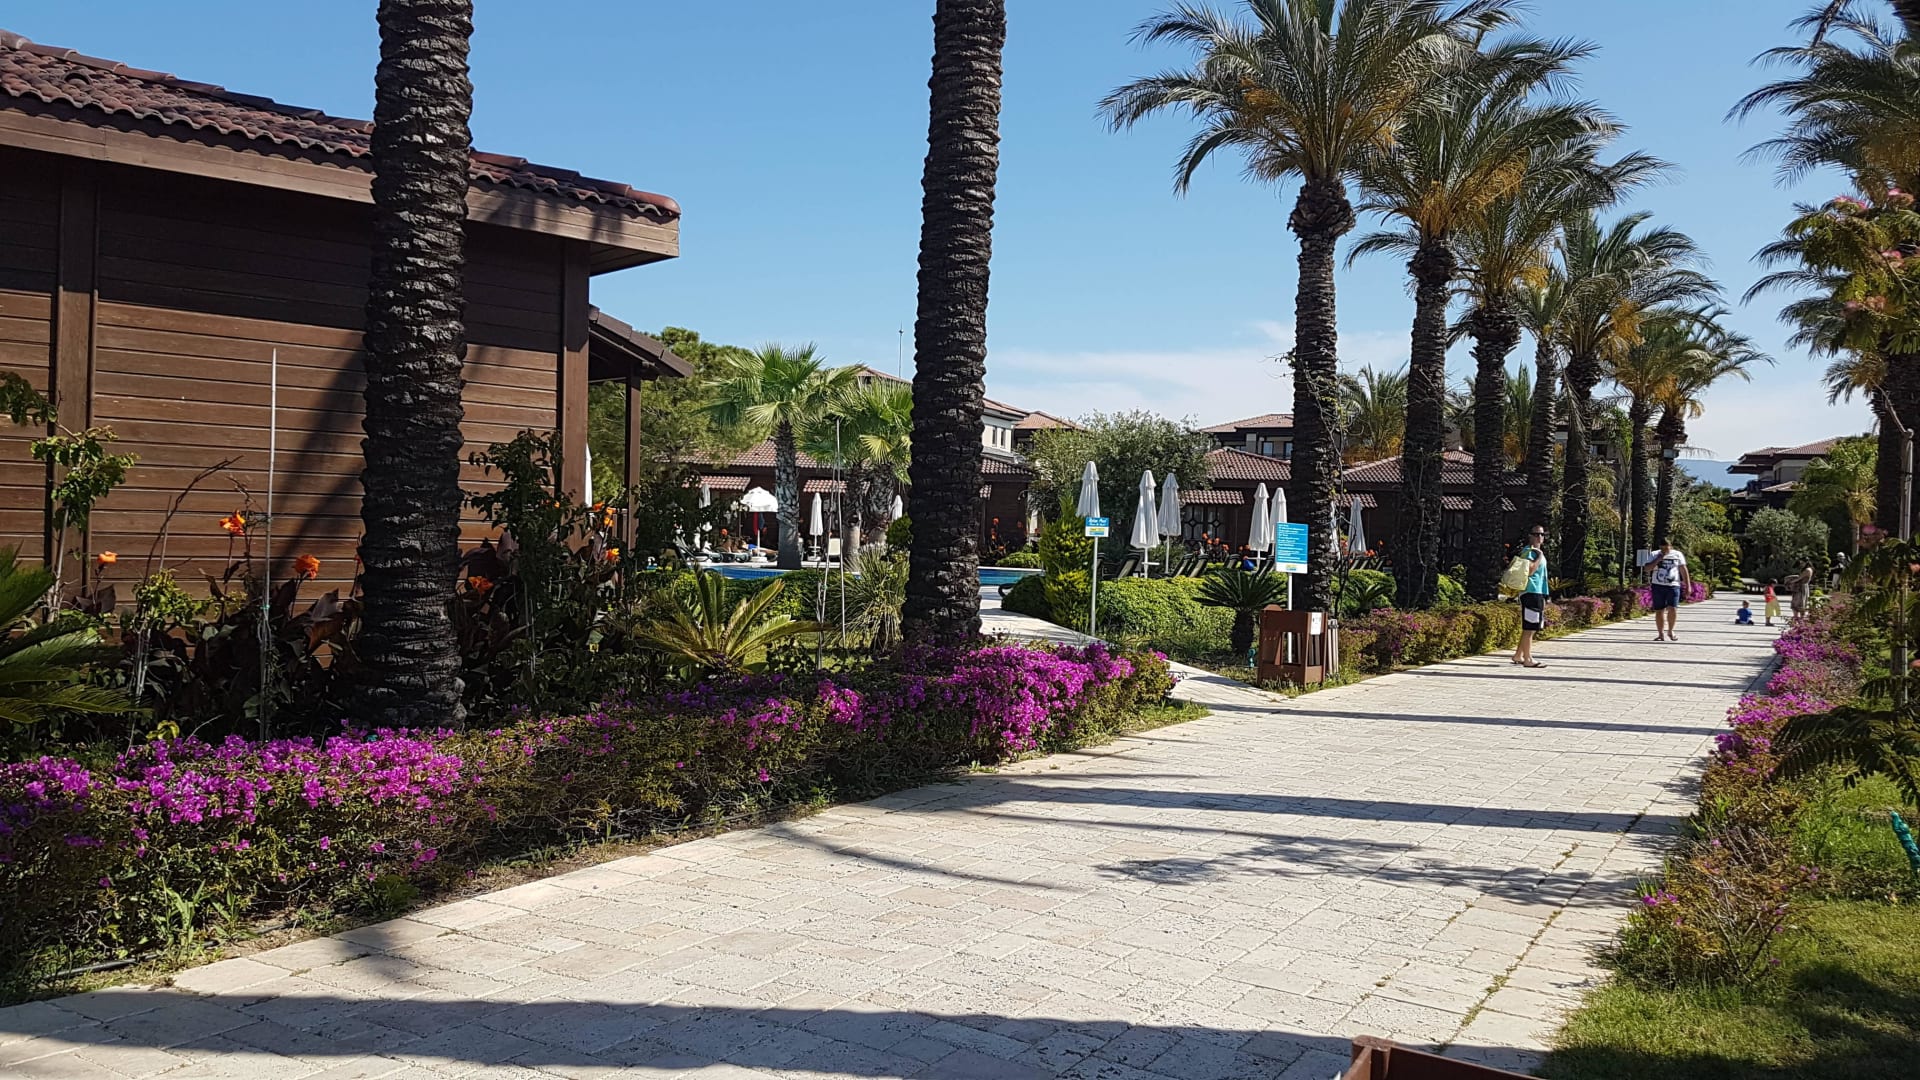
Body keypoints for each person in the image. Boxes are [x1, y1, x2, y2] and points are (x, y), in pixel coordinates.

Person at [1511, 526, 1550, 669]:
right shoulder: (1529, 552)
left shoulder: (1537, 552)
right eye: (1536, 534)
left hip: (1537, 592)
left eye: (1542, 534)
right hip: (1530, 591)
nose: (1539, 537)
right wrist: (1539, 556)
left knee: (1532, 626)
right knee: (1530, 627)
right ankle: (1527, 659)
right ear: (1530, 536)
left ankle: (1518, 655)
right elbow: (1530, 570)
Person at [1646, 539, 1692, 642]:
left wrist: (1688, 585)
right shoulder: (1654, 554)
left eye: (1666, 548)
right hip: (1658, 585)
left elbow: (1683, 570)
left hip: (1673, 586)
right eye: (1662, 548)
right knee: (1659, 610)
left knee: (1673, 608)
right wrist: (1658, 559)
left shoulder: (1677, 554)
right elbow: (1647, 569)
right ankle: (1660, 633)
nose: (1664, 550)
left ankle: (1670, 631)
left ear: (1670, 546)